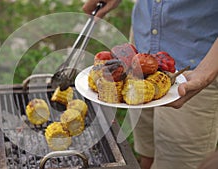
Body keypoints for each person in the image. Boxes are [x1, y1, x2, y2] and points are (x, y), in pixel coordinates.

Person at [83, 0, 218, 169]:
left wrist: (207, 71)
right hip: (142, 43)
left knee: (177, 161)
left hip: (195, 65)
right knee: (146, 151)